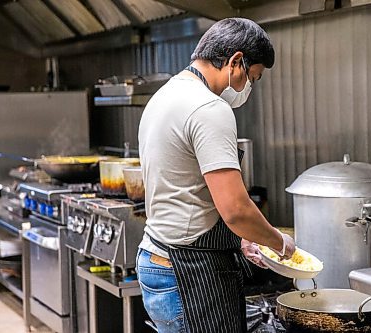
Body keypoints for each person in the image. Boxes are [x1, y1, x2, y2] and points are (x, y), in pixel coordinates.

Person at [136, 17, 296, 333]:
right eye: (254, 77)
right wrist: (280, 244)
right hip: (187, 270)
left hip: (158, 258)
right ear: (236, 61)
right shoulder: (209, 108)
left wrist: (241, 240)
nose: (249, 86)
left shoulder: (165, 95)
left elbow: (188, 192)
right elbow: (236, 210)